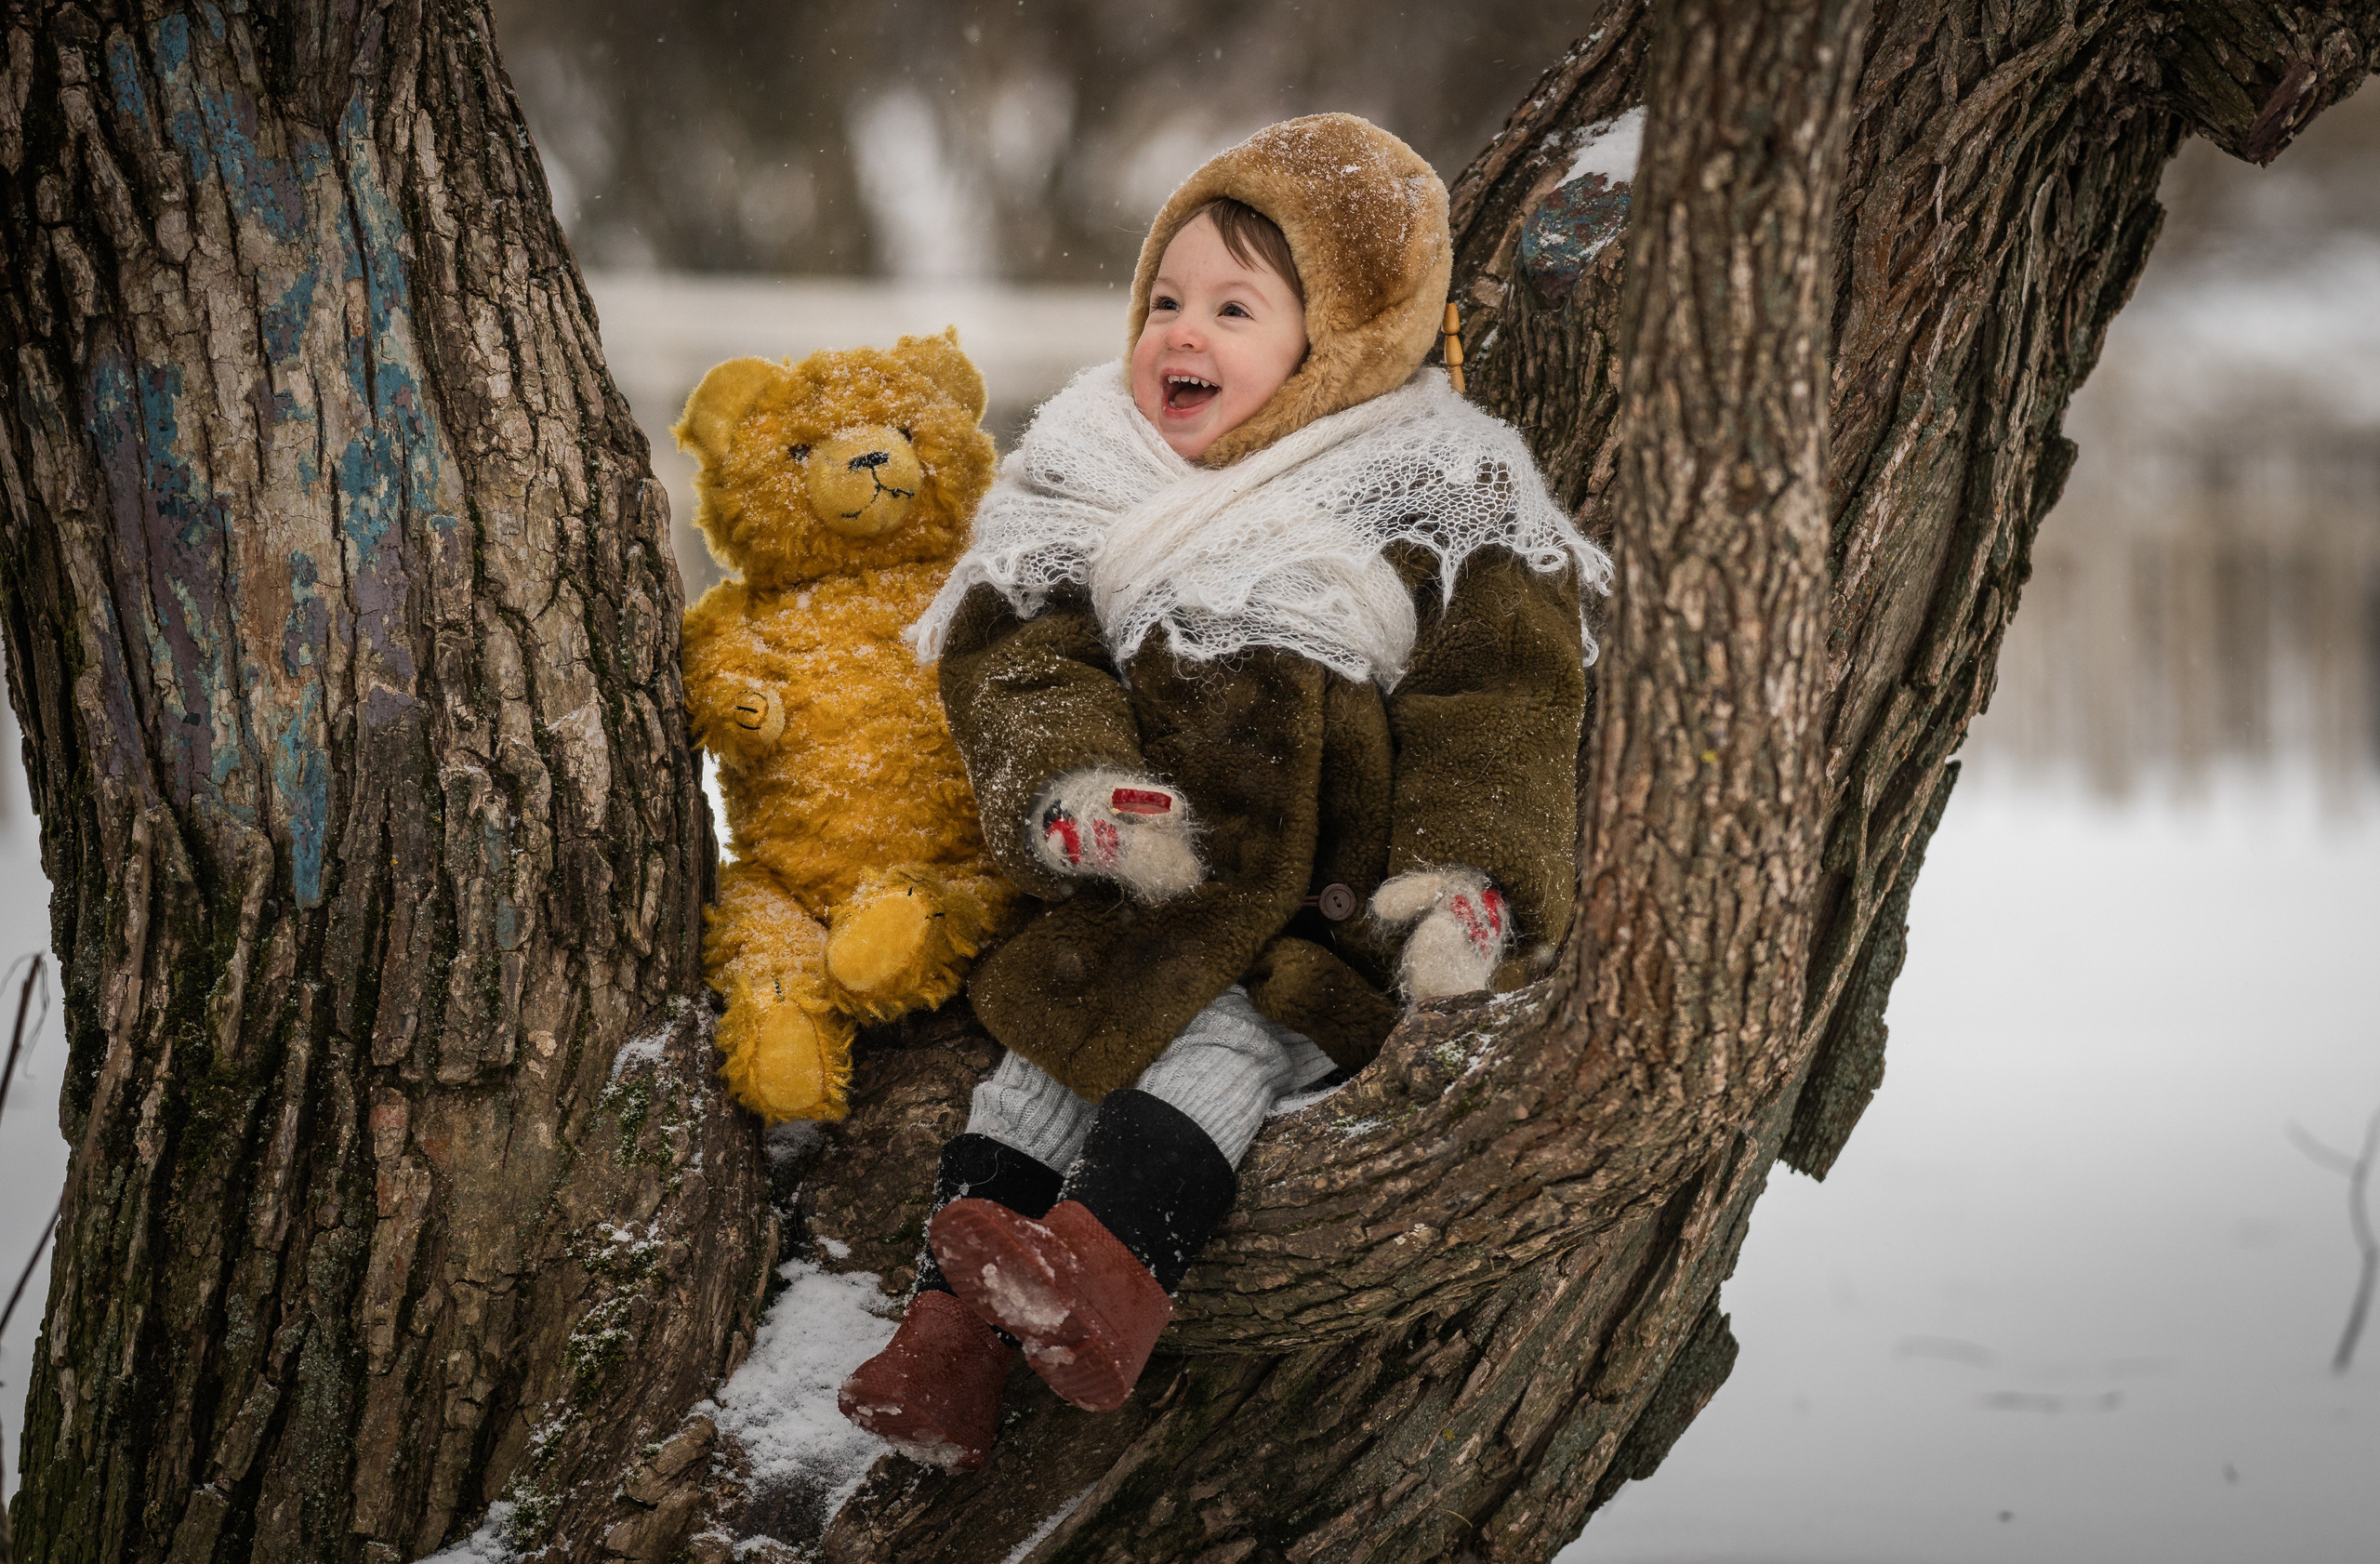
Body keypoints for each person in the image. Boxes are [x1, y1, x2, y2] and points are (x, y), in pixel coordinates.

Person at [836, 113, 1608, 1471]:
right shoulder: (1083, 470)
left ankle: (1107, 1278)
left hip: (1312, 915)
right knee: (1031, 1081)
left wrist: (1467, 880)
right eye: (1166, 299)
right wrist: (1071, 787)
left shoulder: (1443, 488)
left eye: (1233, 307)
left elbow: (1498, 704)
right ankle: (946, 1346)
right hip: (1142, 889)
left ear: (1347, 336)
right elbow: (1021, 655)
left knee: (1219, 1051)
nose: (1179, 334)